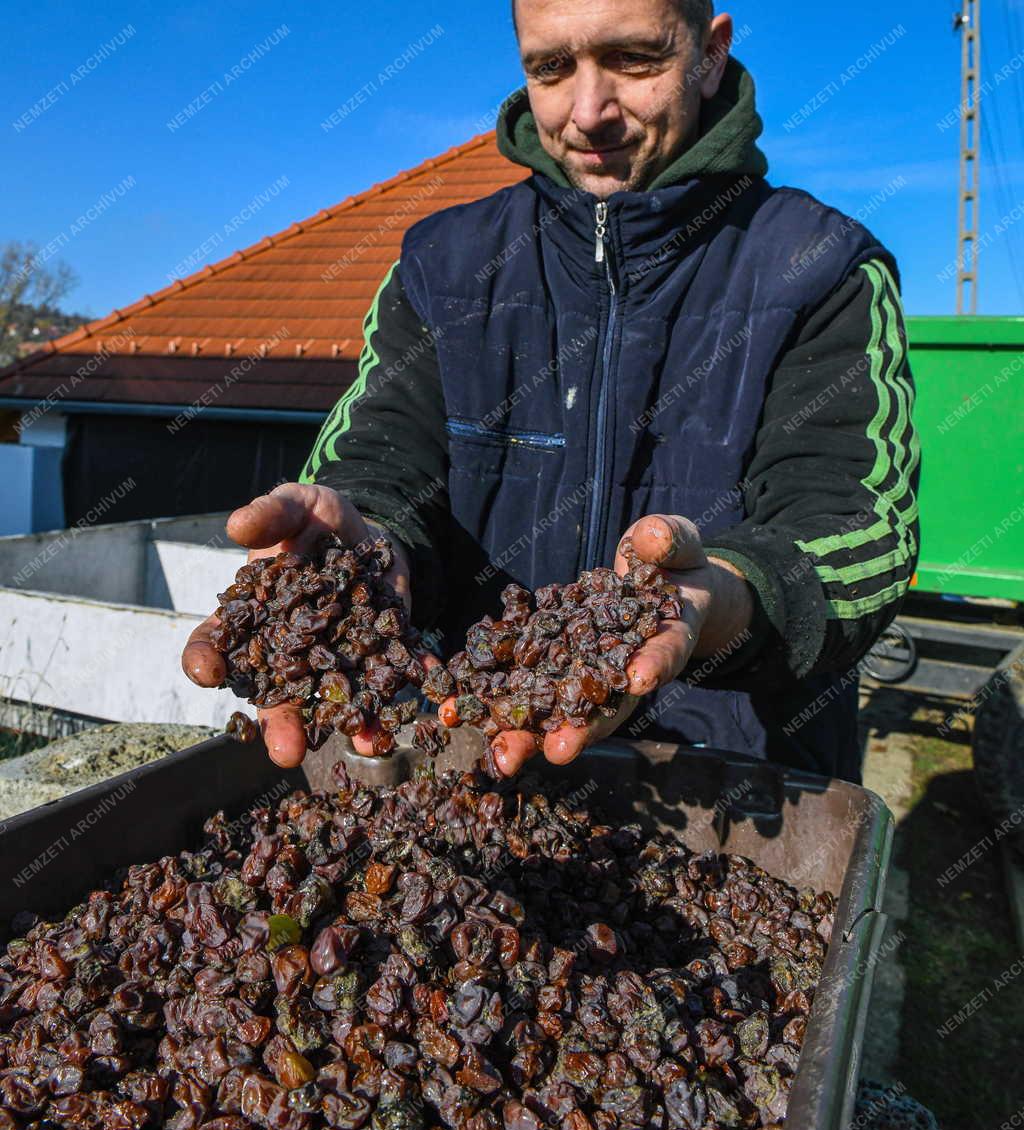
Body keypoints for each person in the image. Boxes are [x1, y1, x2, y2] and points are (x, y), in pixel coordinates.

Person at [183, 0, 919, 784]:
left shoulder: (822, 268)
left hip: (741, 787)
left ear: (710, 54)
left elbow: (858, 531)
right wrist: (370, 542)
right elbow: (382, 461)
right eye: (550, 67)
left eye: (634, 58)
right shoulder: (442, 266)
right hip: (476, 771)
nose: (588, 111)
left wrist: (724, 599)